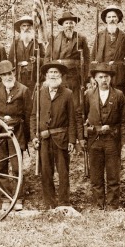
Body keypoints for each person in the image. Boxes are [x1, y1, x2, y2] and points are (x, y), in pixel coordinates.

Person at [30, 62, 81, 209]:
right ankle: (49, 204)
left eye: (56, 72)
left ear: (61, 76)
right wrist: (34, 135)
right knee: (46, 172)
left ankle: (64, 203)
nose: (53, 75)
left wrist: (72, 139)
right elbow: (33, 116)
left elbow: (72, 118)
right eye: (50, 72)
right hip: (44, 140)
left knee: (63, 172)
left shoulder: (67, 94)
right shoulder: (40, 93)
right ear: (46, 76)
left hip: (61, 138)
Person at [84, 62, 125, 210]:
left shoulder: (118, 95)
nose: (104, 80)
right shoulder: (89, 94)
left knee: (113, 175)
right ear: (95, 79)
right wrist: (84, 137)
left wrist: (124, 142)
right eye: (101, 77)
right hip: (94, 140)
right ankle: (98, 205)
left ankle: (112, 205)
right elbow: (82, 117)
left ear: (111, 79)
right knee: (96, 176)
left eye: (107, 77)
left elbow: (124, 121)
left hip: (112, 139)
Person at [0, 60, 32, 211]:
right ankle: (5, 196)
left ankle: (18, 197)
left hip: (17, 131)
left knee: (16, 165)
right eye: (5, 75)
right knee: (0, 165)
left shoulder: (23, 90)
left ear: (14, 73)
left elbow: (28, 114)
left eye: (10, 73)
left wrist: (26, 137)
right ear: (0, 76)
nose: (8, 77)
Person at [45, 11, 90, 108]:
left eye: (71, 23)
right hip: (58, 76)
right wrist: (47, 74)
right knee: (59, 102)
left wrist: (86, 77)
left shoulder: (81, 38)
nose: (69, 25)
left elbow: (87, 59)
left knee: (75, 104)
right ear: (63, 25)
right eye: (66, 23)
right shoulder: (54, 38)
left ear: (74, 24)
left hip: (74, 76)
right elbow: (47, 58)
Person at [91, 5, 125, 94]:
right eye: (109, 17)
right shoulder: (99, 36)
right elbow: (93, 57)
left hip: (119, 74)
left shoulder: (124, 37)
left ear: (118, 19)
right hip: (102, 73)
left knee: (119, 98)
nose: (111, 19)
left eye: (114, 17)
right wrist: (91, 77)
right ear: (106, 20)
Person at [9, 15, 45, 95]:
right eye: (24, 26)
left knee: (33, 98)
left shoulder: (38, 43)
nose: (26, 28)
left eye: (28, 26)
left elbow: (45, 59)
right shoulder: (15, 43)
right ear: (20, 28)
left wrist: (37, 59)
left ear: (32, 27)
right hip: (19, 76)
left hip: (34, 77)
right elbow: (10, 60)